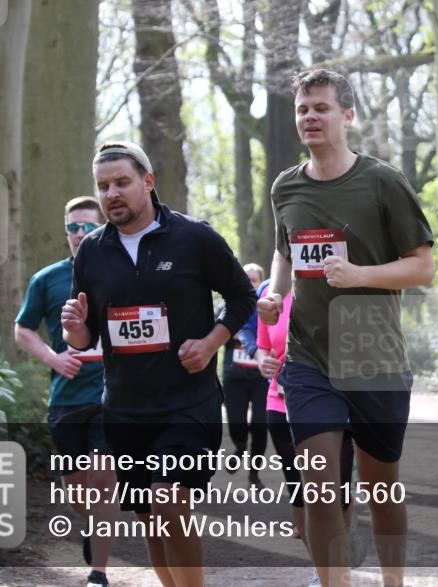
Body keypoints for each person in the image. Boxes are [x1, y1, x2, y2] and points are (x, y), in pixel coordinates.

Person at [259, 69, 435, 587]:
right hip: (309, 358)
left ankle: (393, 582)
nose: (310, 117)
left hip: (373, 356)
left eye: (321, 107)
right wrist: (275, 294)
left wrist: (361, 275)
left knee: (382, 489)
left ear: (348, 116)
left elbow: (422, 266)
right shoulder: (285, 187)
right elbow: (284, 251)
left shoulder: (382, 181)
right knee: (318, 484)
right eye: (302, 109)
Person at [62, 141, 256, 587]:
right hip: (127, 407)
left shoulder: (194, 237)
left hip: (189, 399)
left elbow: (242, 296)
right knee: (150, 517)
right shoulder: (91, 251)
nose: (112, 193)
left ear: (148, 182)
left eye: (122, 182)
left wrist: (211, 342)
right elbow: (87, 333)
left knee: (170, 503)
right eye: (103, 185)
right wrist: (74, 328)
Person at [15, 196, 117, 587]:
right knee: (77, 491)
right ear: (66, 232)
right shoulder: (47, 279)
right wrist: (52, 359)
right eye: (73, 227)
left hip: (112, 397)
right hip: (66, 398)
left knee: (104, 480)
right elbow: (22, 328)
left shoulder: (121, 272)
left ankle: (99, 572)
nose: (79, 234)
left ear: (102, 228)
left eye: (88, 227)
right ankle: (93, 525)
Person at [255, 283, 361, 587]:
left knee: (335, 490)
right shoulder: (271, 298)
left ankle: (339, 549)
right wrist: (263, 359)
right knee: (301, 491)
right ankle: (323, 568)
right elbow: (263, 344)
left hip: (332, 403)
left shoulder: (334, 290)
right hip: (279, 403)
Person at [221, 262, 268, 488]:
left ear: (261, 282)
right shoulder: (230, 305)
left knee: (260, 425)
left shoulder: (268, 308)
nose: (250, 283)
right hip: (235, 378)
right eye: (246, 278)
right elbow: (214, 329)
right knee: (237, 423)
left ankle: (254, 473)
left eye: (254, 279)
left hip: (261, 378)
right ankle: (239, 447)